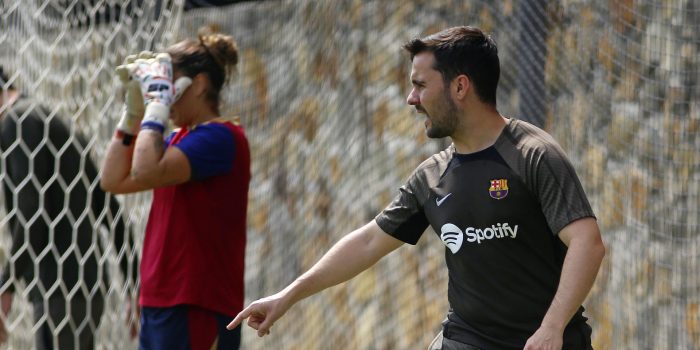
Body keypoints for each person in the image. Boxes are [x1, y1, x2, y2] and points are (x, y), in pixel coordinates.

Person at [227, 26, 606, 350]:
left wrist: (553, 327)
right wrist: (287, 296)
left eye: (420, 85)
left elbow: (587, 243)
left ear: (460, 86)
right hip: (466, 339)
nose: (411, 99)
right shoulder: (431, 177)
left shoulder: (533, 154)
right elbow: (368, 242)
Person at [99, 28, 250, 350]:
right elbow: (112, 179)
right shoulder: (180, 140)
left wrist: (155, 105)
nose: (164, 95)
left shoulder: (222, 138)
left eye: (168, 85)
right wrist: (133, 113)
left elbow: (144, 168)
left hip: (196, 304)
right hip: (161, 301)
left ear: (198, 85)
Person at [0, 66, 139, 349]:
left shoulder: (17, 121)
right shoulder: (57, 121)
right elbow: (112, 213)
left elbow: (32, 215)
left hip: (59, 295)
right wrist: (134, 284)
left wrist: (5, 285)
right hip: (87, 293)